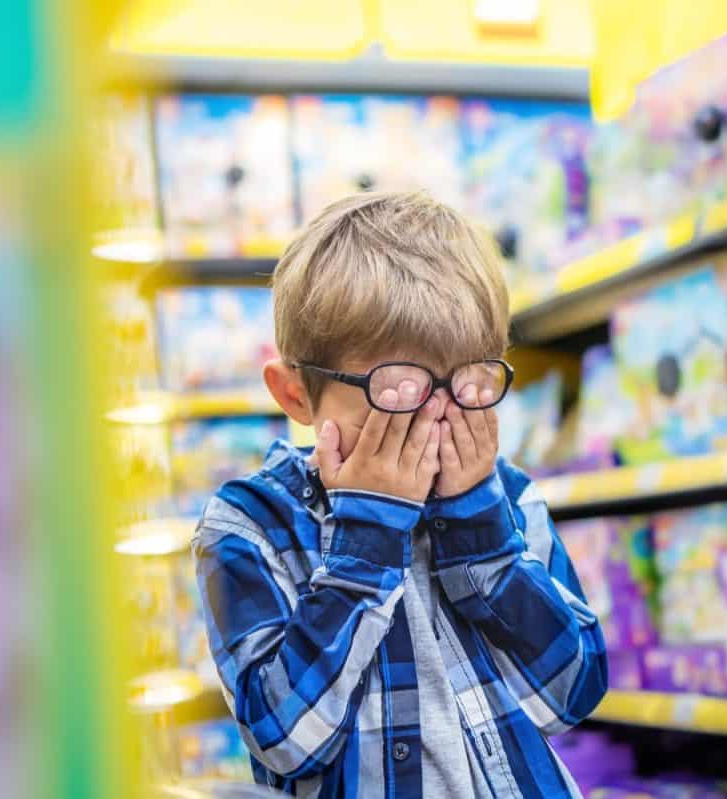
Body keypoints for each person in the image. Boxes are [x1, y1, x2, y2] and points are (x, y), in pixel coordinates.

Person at [194, 191, 608, 797]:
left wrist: (480, 532)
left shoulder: (508, 499)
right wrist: (367, 538)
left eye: (466, 383)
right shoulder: (250, 524)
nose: (433, 421)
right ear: (296, 396)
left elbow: (571, 697)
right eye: (396, 393)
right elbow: (285, 742)